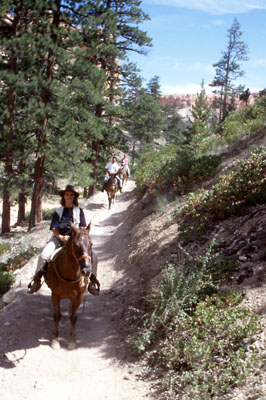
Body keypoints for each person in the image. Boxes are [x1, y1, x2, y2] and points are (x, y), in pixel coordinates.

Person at [28, 184, 97, 293]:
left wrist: (75, 237)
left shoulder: (79, 211)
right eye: (67, 194)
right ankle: (37, 279)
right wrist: (61, 237)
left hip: (75, 240)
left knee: (94, 257)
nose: (69, 197)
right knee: (44, 255)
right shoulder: (58, 211)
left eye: (71, 195)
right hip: (58, 238)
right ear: (64, 196)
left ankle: (93, 281)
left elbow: (83, 228)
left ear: (74, 197)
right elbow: (54, 228)